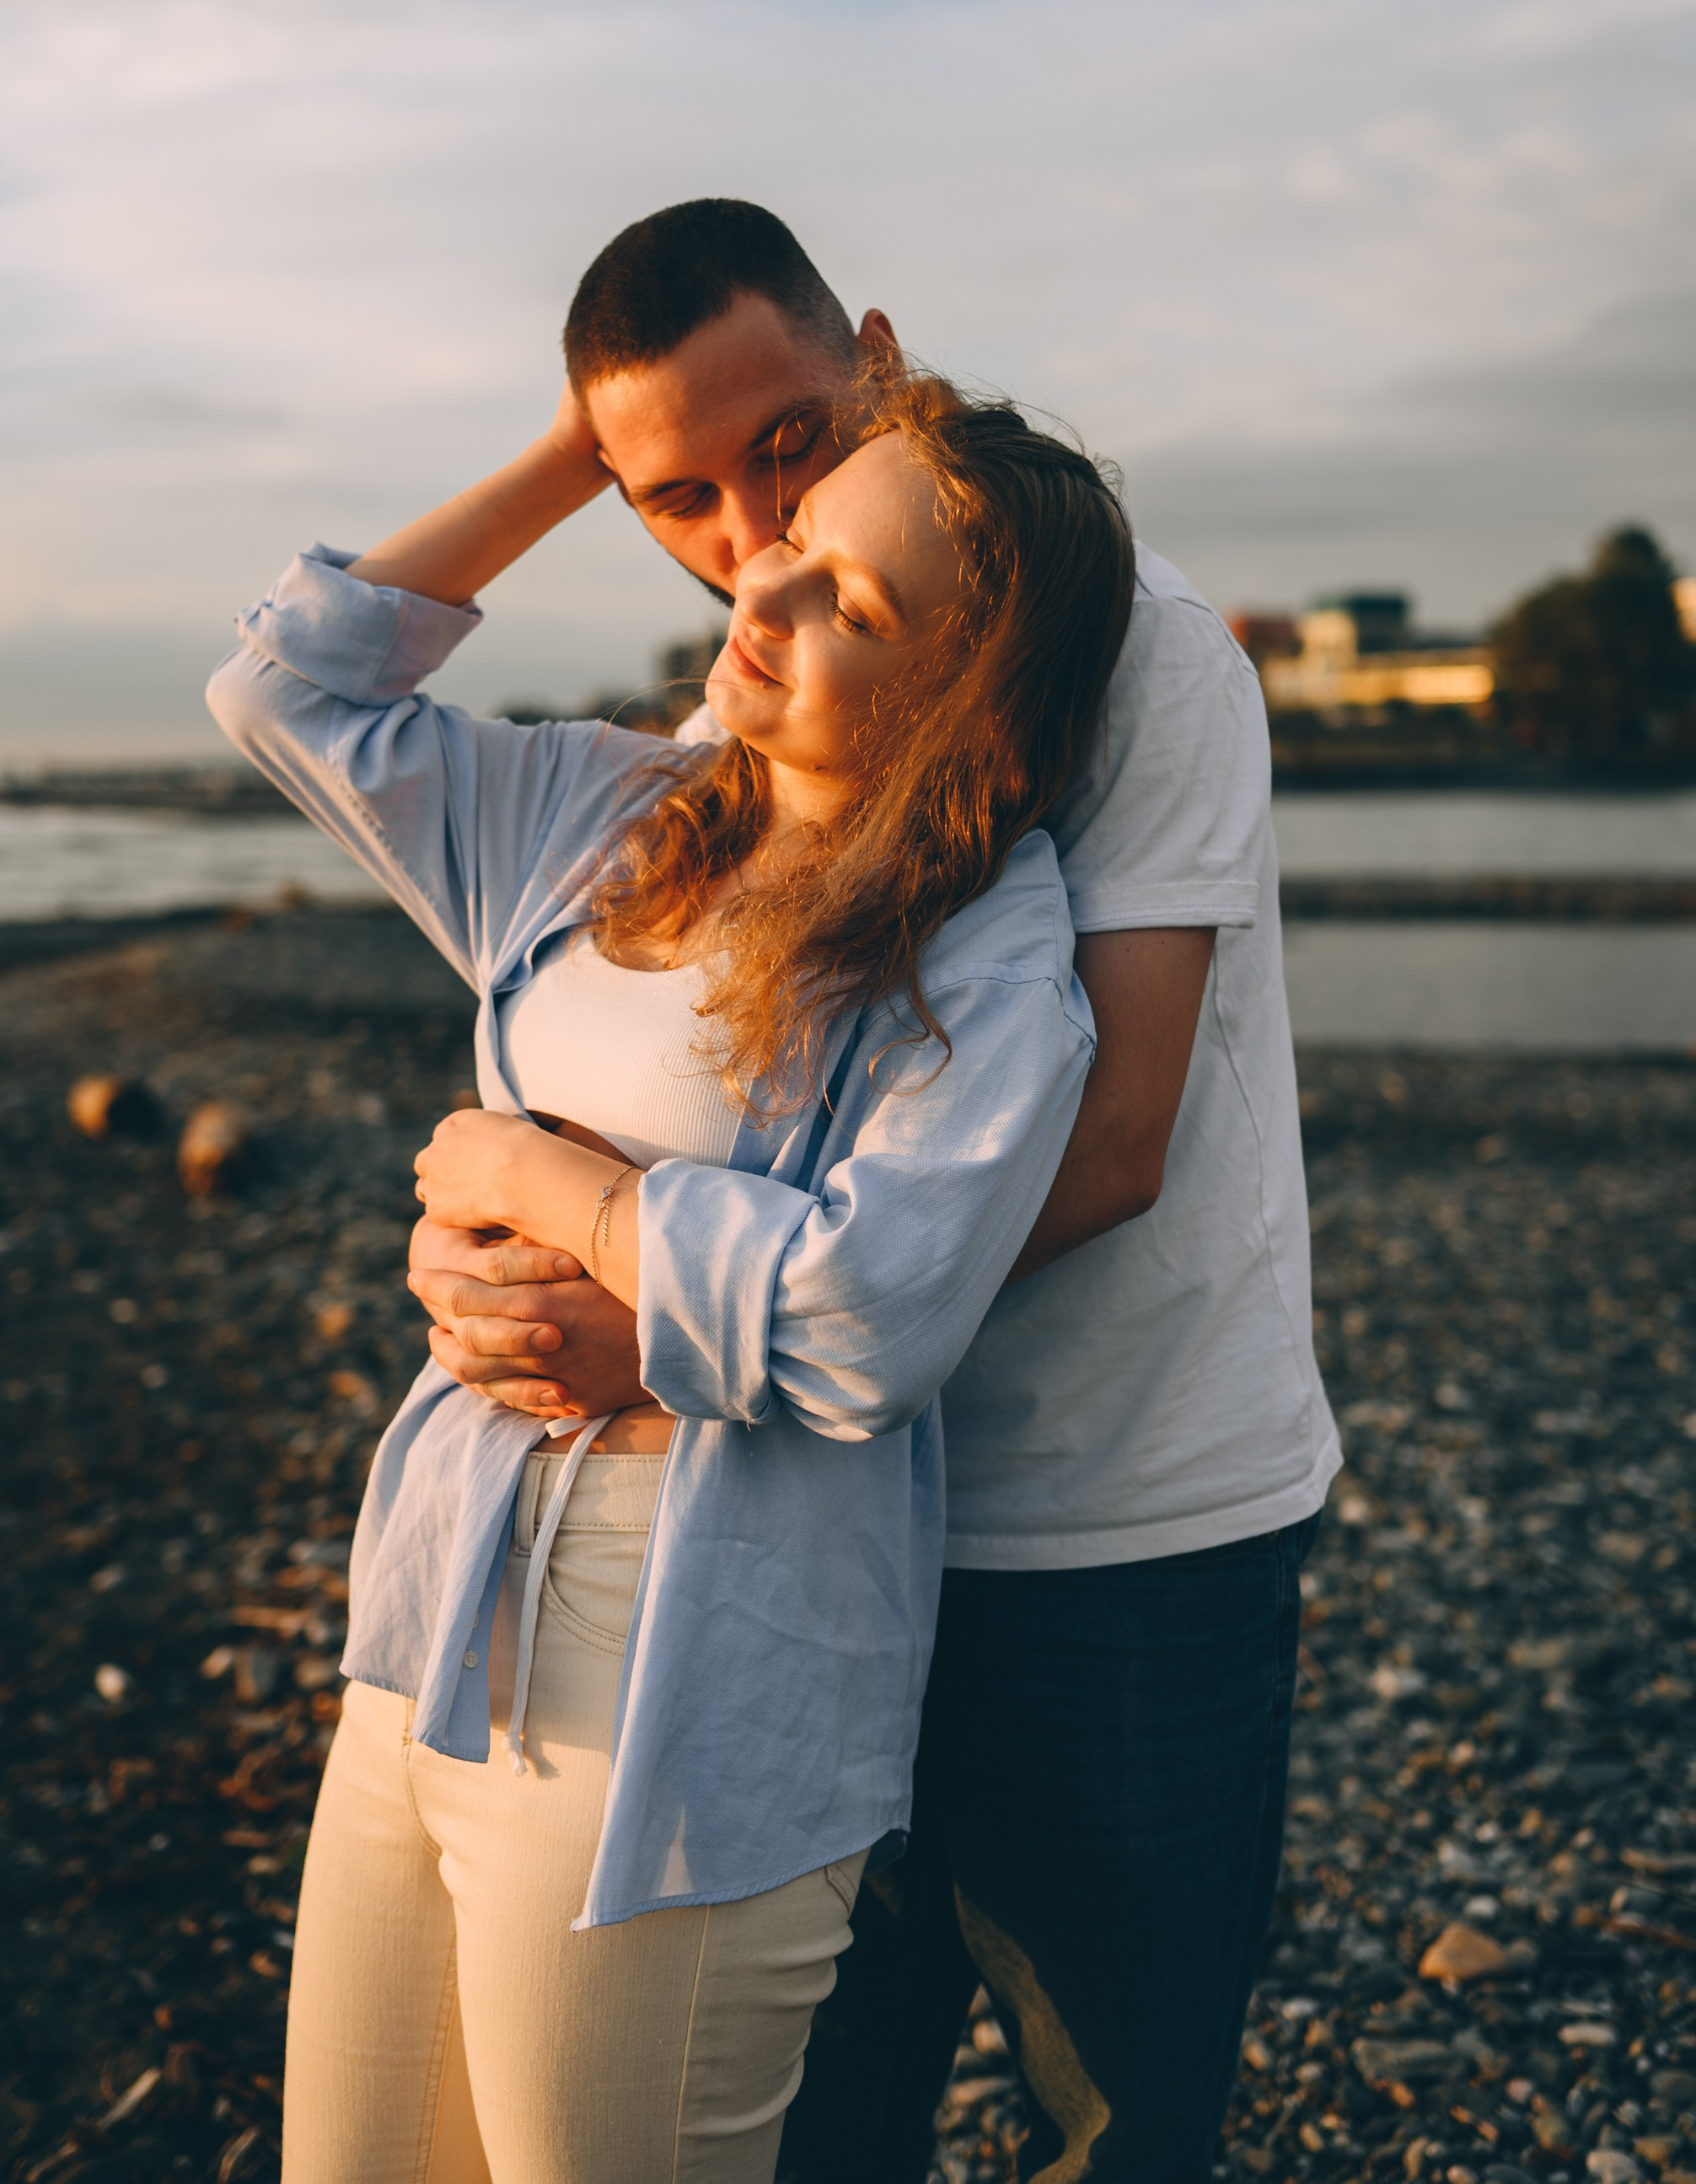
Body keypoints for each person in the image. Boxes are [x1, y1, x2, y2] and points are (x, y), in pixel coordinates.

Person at [410, 200, 1340, 2183]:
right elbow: (657, 1071)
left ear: (887, 373)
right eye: (677, 491)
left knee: (1115, 2107)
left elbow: (1108, 1142)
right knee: (816, 2114)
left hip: (1114, 1525)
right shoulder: (782, 647)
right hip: (814, 1525)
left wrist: (663, 1327)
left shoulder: (1134, 648)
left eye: (792, 442)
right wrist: (480, 1233)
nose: (750, 539)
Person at [207, 361, 1132, 2181]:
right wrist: (587, 437)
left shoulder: (986, 942)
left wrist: (533, 1175)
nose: (758, 600)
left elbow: (874, 1317)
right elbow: (283, 688)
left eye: (843, 605)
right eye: (781, 551)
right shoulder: (610, 812)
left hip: (688, 1669)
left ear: (974, 708)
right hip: (436, 1609)